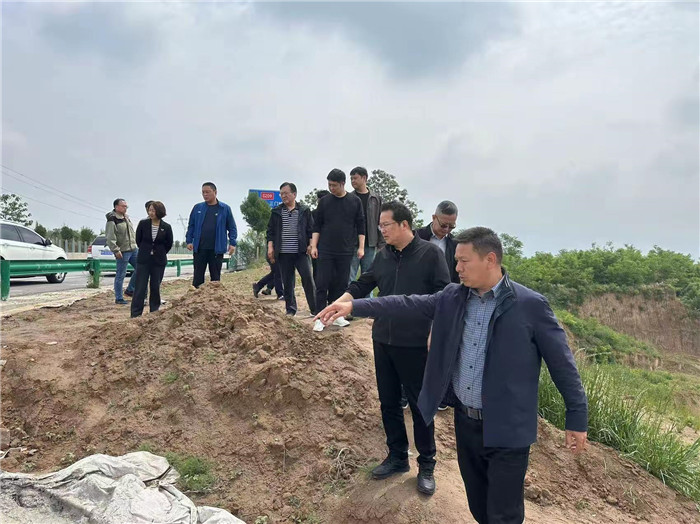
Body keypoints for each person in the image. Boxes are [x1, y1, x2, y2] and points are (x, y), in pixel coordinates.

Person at [316, 227, 588, 524]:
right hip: (466, 422)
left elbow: (562, 365)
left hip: (508, 427)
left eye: (463, 261)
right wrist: (353, 305)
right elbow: (406, 303)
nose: (457, 268)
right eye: (456, 260)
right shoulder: (453, 297)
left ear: (490, 259)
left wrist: (576, 416)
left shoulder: (529, 305)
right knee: (478, 505)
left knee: (504, 514)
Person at [331, 201, 450, 495]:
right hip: (383, 339)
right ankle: (397, 456)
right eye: (380, 226)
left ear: (404, 225)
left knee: (421, 407)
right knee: (388, 403)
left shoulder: (430, 254)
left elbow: (444, 297)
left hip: (415, 343)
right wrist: (338, 303)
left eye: (386, 225)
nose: (381, 230)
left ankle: (427, 464)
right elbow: (362, 284)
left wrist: (435, 331)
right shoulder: (383, 256)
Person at [310, 169, 365, 331]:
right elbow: (317, 226)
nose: (331, 188)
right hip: (325, 249)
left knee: (341, 285)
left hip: (346, 250)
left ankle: (337, 316)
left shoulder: (354, 201)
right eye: (329, 185)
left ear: (342, 183)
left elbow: (361, 225)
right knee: (322, 283)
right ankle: (320, 317)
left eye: (334, 185)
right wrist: (314, 246)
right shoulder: (324, 202)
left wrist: (361, 247)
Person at [266, 182, 316, 315]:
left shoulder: (304, 210)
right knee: (287, 283)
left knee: (308, 279)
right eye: (281, 194)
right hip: (283, 253)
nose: (283, 196)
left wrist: (311, 244)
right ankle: (291, 309)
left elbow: (311, 229)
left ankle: (315, 309)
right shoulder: (276, 212)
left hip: (301, 252)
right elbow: (270, 232)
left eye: (286, 193)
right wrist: (270, 247)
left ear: (294, 194)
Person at [186, 182, 237, 288]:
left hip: (216, 248)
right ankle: (197, 295)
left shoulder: (224, 208)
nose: (205, 195)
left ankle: (215, 297)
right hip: (200, 248)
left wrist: (232, 243)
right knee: (198, 277)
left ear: (215, 192)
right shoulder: (197, 208)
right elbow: (191, 225)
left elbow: (232, 227)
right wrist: (189, 240)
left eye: (208, 192)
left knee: (215, 278)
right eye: (203, 192)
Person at [131, 201, 173, 317]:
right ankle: (135, 314)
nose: (151, 213)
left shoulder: (166, 227)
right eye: (149, 210)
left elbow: (169, 244)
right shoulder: (143, 224)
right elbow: (138, 240)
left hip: (158, 261)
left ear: (160, 211)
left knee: (155, 286)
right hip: (144, 260)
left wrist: (159, 252)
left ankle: (154, 312)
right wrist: (147, 250)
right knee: (140, 287)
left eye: (153, 210)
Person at [348, 166, 384, 291]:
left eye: (355, 178)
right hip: (352, 243)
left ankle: (367, 302)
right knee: (350, 277)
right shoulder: (349, 198)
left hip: (370, 243)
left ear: (364, 178)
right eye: (351, 179)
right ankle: (349, 300)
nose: (353, 181)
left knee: (368, 277)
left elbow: (380, 221)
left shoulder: (376, 199)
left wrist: (382, 243)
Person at [416, 201, 460, 284]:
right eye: (443, 225)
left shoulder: (456, 244)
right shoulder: (416, 236)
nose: (446, 229)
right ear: (434, 218)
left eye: (451, 226)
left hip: (444, 289)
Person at [105, 198, 138, 305]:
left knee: (142, 268)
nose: (125, 208)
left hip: (133, 249)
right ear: (116, 207)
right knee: (121, 274)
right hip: (123, 251)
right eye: (123, 206)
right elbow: (110, 237)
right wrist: (115, 250)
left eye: (126, 206)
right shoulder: (112, 220)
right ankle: (119, 298)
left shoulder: (126, 218)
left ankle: (130, 289)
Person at [311, 189, 330, 280]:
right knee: (316, 270)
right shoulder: (313, 214)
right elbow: (310, 229)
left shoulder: (333, 213)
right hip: (316, 246)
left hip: (330, 246)